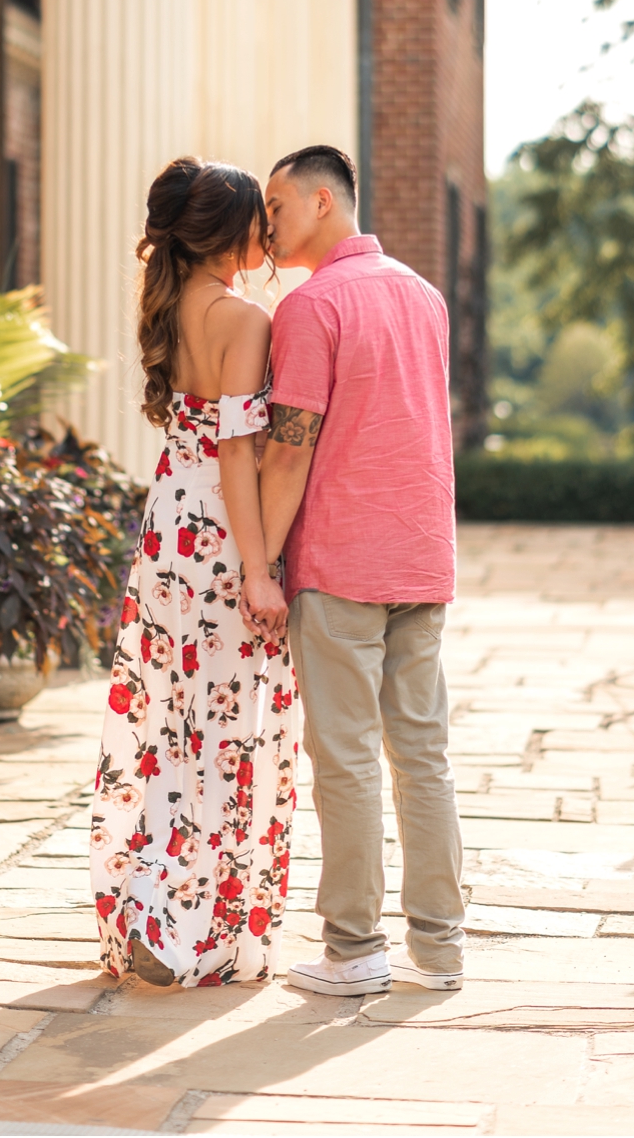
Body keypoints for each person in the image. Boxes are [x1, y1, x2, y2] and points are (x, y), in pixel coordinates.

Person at [257, 144, 464, 997]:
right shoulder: (424, 294)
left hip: (341, 561)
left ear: (318, 201)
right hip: (422, 555)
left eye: (275, 204)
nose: (266, 221)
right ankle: (442, 949)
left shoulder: (312, 307)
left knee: (343, 757)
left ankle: (353, 950)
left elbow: (289, 449)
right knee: (424, 754)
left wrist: (261, 558)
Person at [92, 157, 296, 988]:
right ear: (231, 233)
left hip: (165, 531)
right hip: (219, 534)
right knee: (224, 732)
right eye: (260, 218)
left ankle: (150, 902)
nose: (269, 232)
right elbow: (239, 450)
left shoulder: (171, 305)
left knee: (167, 724)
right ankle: (189, 925)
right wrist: (259, 568)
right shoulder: (243, 318)